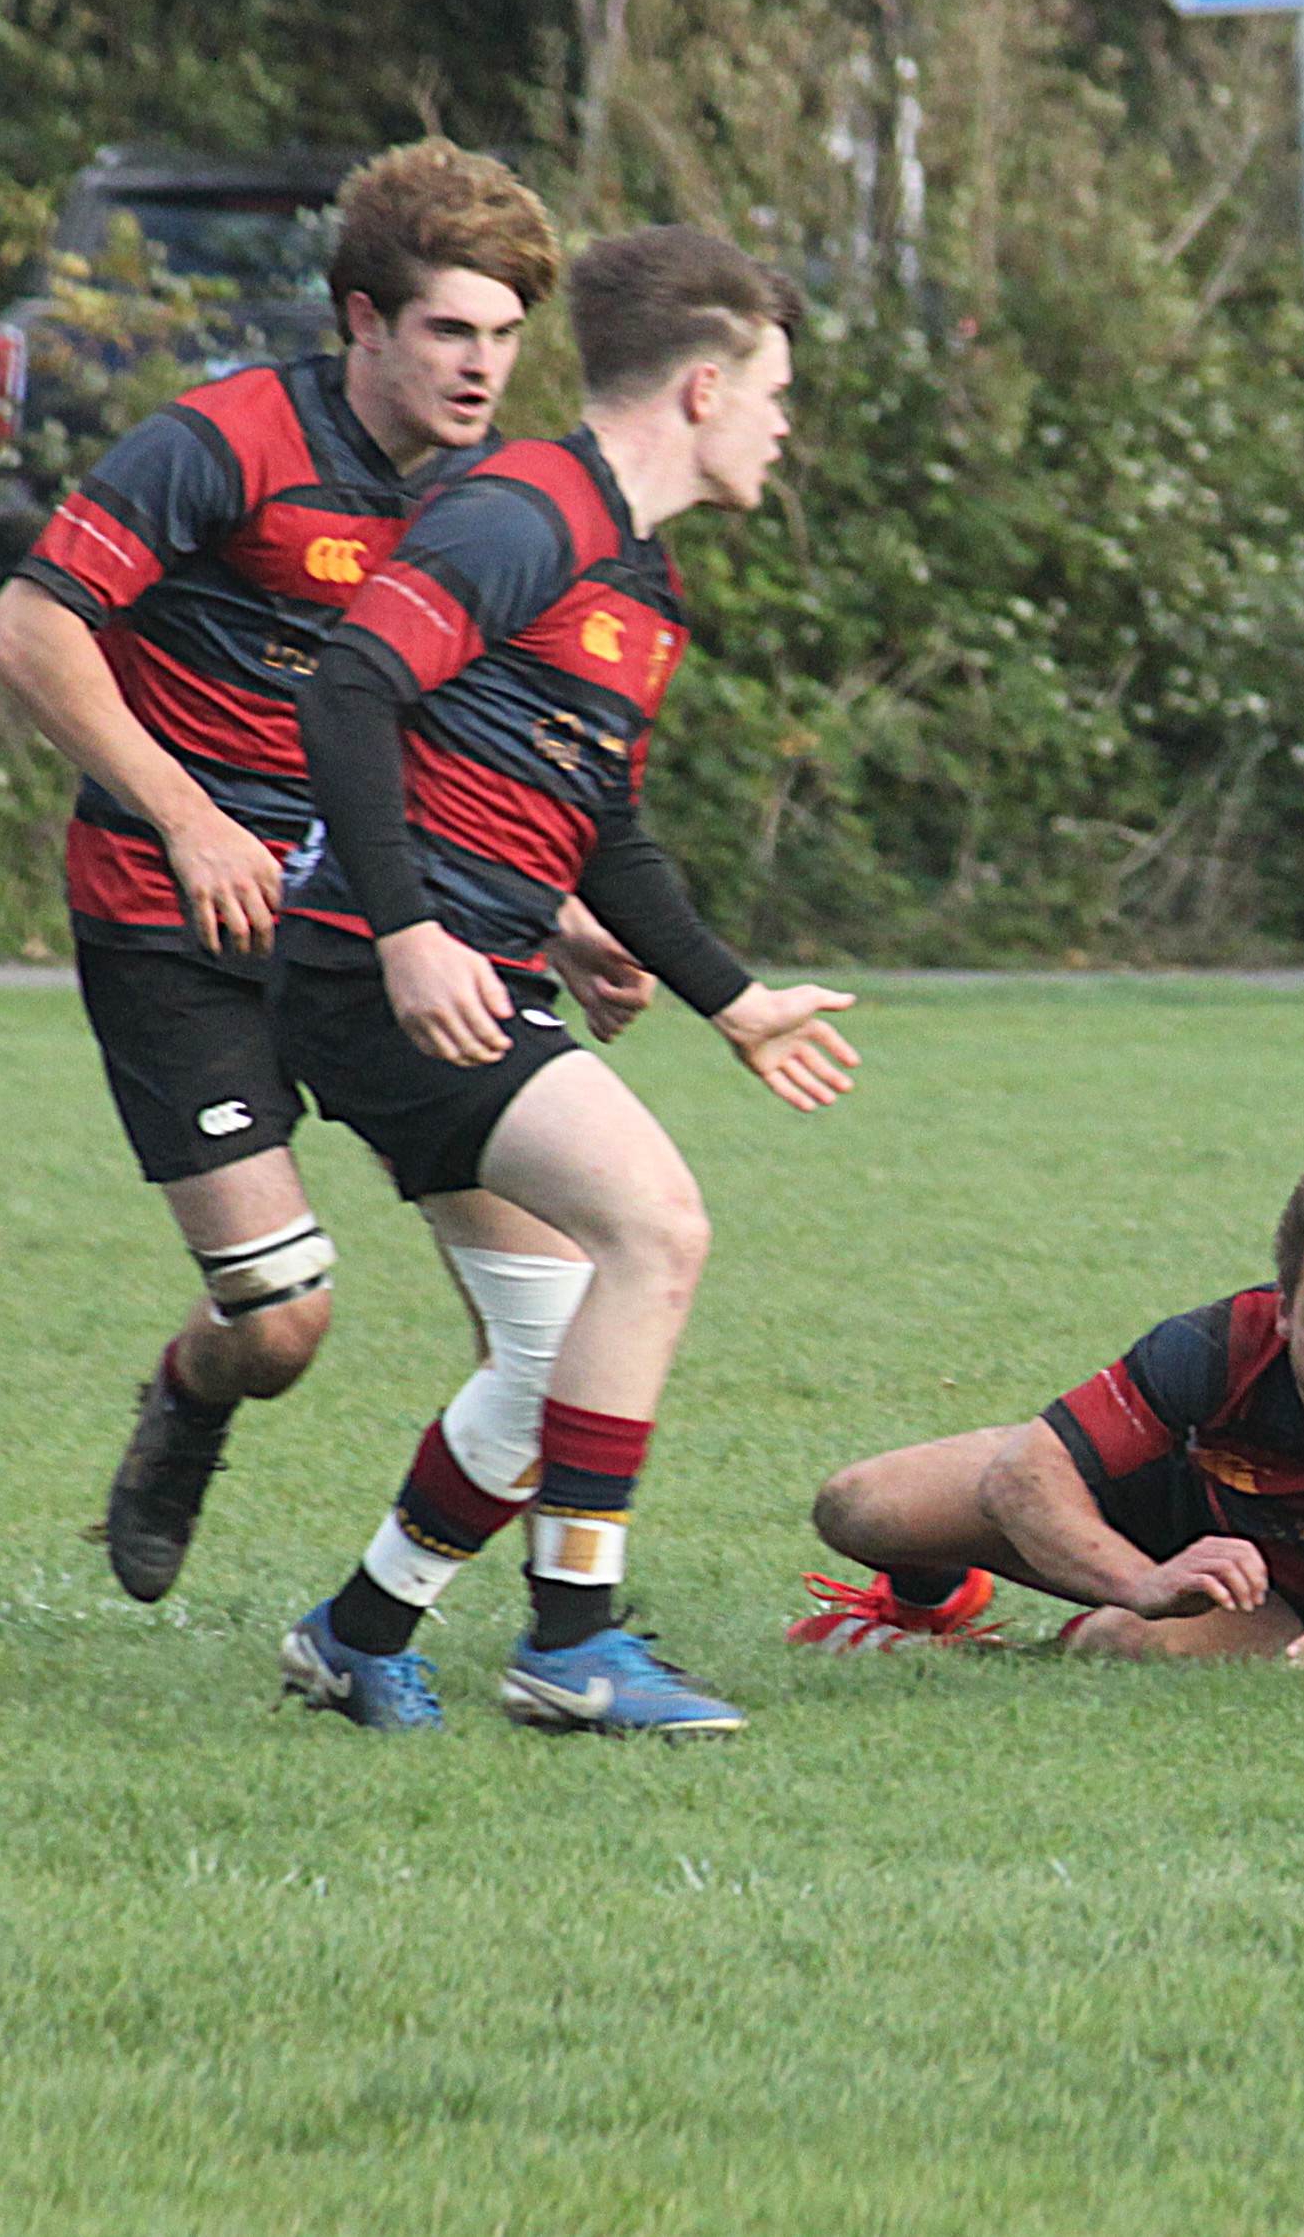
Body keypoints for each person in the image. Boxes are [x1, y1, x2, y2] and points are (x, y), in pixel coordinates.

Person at [0, 140, 648, 1604]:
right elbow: (29, 629)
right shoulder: (224, 441)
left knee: (552, 1298)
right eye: (450, 329)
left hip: (368, 929)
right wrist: (188, 817)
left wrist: (573, 913)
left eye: (505, 334)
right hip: (173, 918)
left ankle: (543, 1611)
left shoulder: (495, 499)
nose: (482, 365)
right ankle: (189, 1398)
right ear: (363, 320)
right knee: (281, 1318)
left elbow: (469, 745)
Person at [267, 226, 861, 1736]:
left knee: (553, 1342)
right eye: (776, 392)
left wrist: (735, 1001)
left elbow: (604, 824)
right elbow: (349, 689)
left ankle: (359, 1630)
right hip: (381, 967)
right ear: (706, 388)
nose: (786, 425)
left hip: (474, 967)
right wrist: (407, 929)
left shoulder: (640, 579)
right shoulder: (524, 509)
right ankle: (573, 1639)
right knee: (654, 1227)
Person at [790, 1152, 1304, 1670]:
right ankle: (933, 1600)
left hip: (1290, 1610)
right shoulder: (1220, 1343)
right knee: (859, 1505)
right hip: (1167, 1529)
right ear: (1283, 1308)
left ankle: (985, 1655)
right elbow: (1027, 1472)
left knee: (1121, 1642)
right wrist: (1144, 1579)